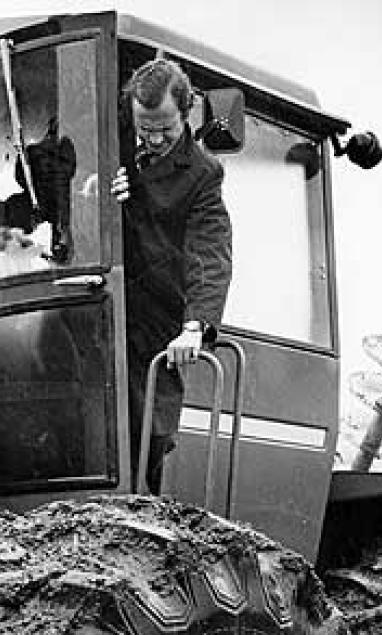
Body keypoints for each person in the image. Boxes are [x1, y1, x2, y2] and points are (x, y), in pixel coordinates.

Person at [111, 58, 232, 495]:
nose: (155, 139)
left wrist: (194, 327)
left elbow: (210, 253)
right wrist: (92, 186)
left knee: (153, 432)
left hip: (158, 317)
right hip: (101, 300)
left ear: (186, 114)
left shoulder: (202, 174)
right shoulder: (108, 140)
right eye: (146, 129)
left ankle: (147, 516)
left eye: (165, 129)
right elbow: (45, 167)